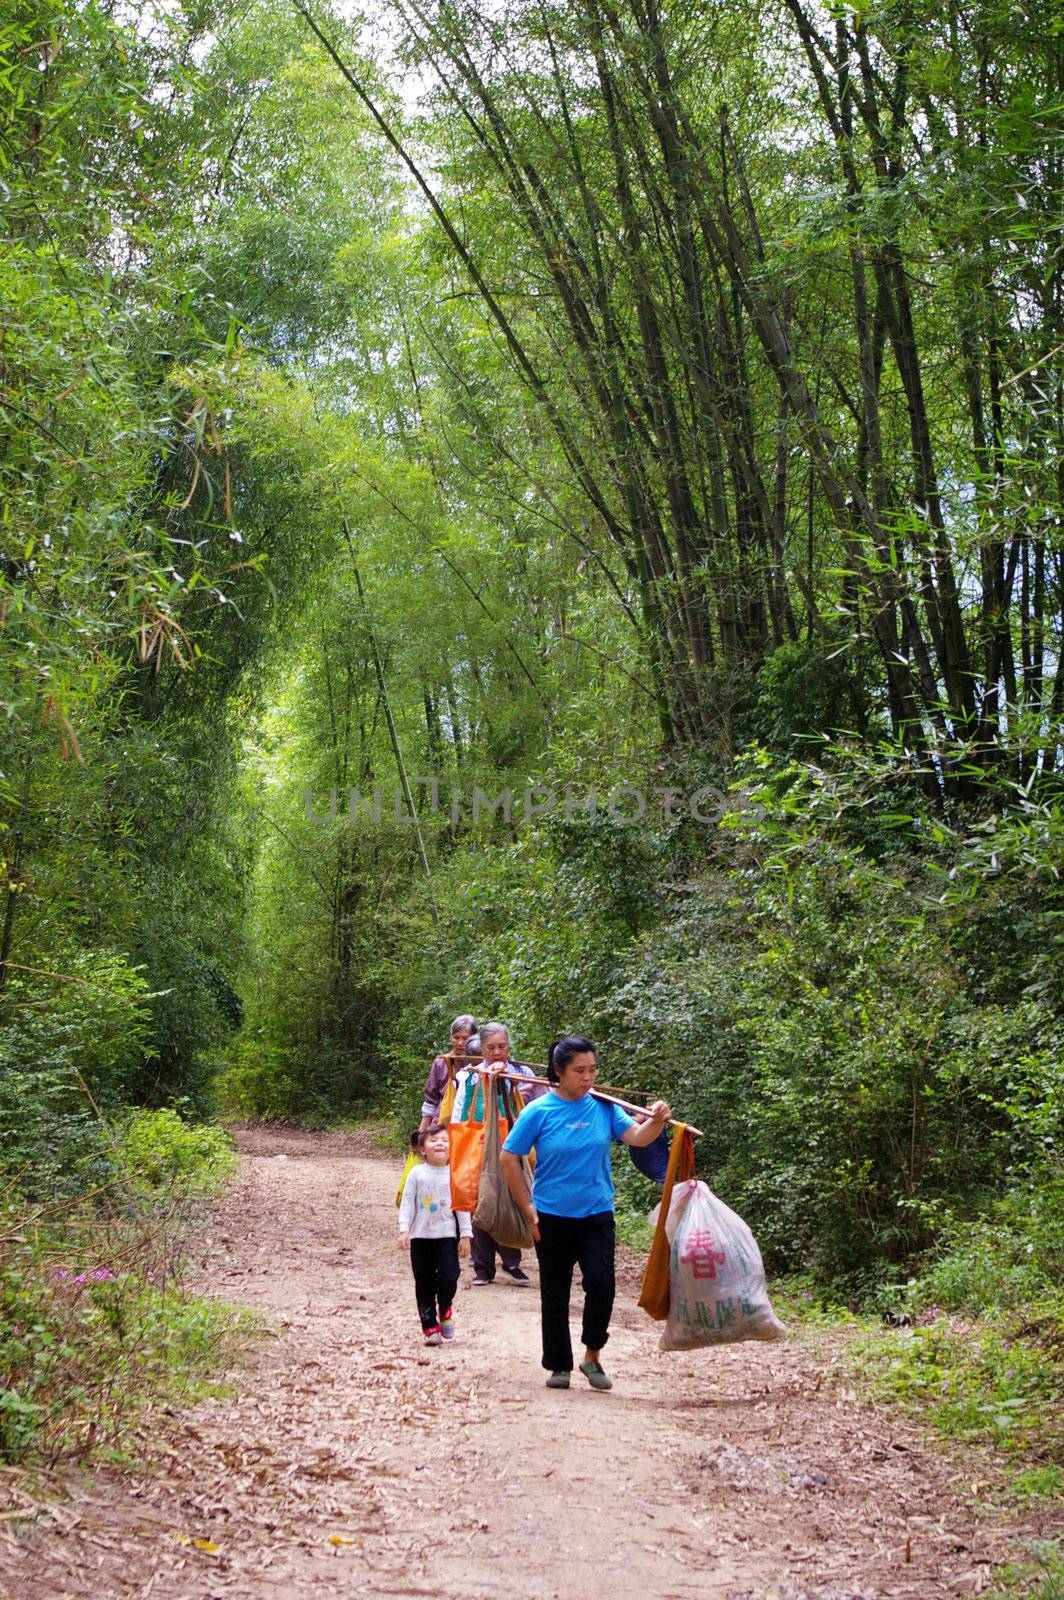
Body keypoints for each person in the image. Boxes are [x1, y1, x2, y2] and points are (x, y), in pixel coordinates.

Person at [500, 1034, 671, 1391]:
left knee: (602, 1284)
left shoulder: (603, 1106)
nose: (588, 1077)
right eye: (580, 1071)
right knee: (555, 1292)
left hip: (596, 1213)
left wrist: (656, 1120)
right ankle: (558, 1365)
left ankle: (592, 1355)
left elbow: (638, 1137)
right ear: (558, 1072)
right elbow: (508, 1157)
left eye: (592, 1070)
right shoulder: (538, 1111)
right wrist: (526, 1206)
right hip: (551, 1214)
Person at [464, 1020, 541, 1288]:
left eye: (502, 1046)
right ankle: (483, 1267)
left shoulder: (523, 1072)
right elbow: (463, 1114)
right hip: (481, 1146)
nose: (497, 1052)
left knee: (513, 1199)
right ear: (481, 1049)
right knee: (484, 1200)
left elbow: (540, 1103)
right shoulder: (471, 1075)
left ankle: (512, 1262)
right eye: (491, 1047)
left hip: (516, 1147)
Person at [398, 1125, 472, 1346]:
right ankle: (429, 1325)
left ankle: (445, 1307)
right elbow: (407, 1204)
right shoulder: (416, 1174)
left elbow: (462, 1207)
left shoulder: (455, 1174)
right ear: (422, 1149)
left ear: (452, 1147)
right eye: (433, 1140)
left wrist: (465, 1236)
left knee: (450, 1277)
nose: (439, 1143)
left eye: (444, 1140)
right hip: (421, 1238)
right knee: (424, 1281)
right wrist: (404, 1230)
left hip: (447, 1236)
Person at [420, 1014, 477, 1132]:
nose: (460, 1043)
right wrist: (422, 1131)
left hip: (470, 1124)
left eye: (465, 1038)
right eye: (456, 1038)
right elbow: (431, 1099)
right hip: (441, 1125)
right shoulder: (440, 1063)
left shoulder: (478, 1065)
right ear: (450, 1038)